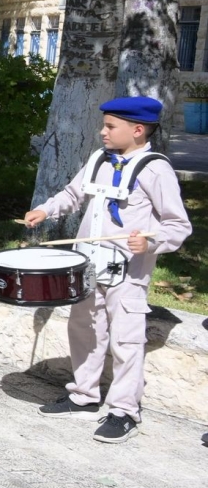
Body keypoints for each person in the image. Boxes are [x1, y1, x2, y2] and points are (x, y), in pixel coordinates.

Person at [23, 96, 192, 443]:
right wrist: (46, 210)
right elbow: (73, 194)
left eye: (111, 126)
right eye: (104, 125)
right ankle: (84, 395)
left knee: (126, 340)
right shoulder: (99, 158)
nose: (103, 132)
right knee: (83, 329)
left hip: (128, 273)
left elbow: (178, 224)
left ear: (138, 130)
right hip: (88, 264)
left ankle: (124, 411)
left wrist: (151, 242)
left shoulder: (155, 169)